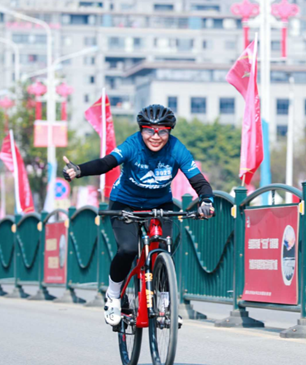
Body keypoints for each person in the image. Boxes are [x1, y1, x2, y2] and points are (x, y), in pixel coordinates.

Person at [62, 104, 215, 326]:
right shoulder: (132, 145)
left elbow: (198, 180)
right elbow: (107, 163)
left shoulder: (176, 148)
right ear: (141, 130)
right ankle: (114, 296)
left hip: (160, 204)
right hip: (125, 203)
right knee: (128, 249)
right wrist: (79, 170)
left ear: (169, 131)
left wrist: (207, 201)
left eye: (162, 131)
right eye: (148, 130)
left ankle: (164, 304)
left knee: (165, 248)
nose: (155, 137)